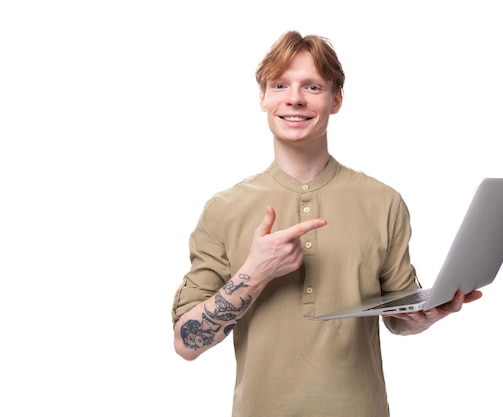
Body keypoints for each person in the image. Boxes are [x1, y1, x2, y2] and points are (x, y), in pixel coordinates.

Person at [171, 30, 482, 417]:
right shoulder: (223, 208)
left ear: (335, 100)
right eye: (280, 84)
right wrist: (255, 271)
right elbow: (187, 344)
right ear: (264, 97)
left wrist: (424, 317)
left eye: (312, 86)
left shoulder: (383, 201)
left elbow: (397, 319)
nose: (294, 98)